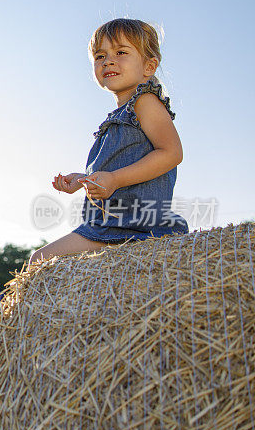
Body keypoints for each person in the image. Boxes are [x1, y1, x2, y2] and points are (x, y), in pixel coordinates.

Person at [31, 18, 189, 264]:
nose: (108, 60)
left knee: (38, 260)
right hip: (111, 224)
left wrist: (114, 179)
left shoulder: (144, 101)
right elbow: (116, 169)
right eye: (99, 56)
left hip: (131, 225)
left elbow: (171, 153)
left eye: (121, 52)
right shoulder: (117, 118)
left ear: (149, 66)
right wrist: (82, 181)